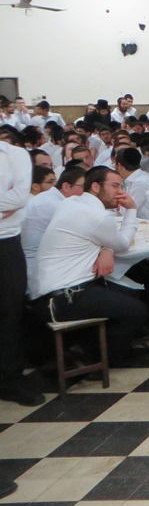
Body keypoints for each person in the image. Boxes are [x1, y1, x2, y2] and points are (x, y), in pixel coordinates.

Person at [30, 167, 148, 365]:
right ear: (95, 186)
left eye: (121, 186)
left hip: (45, 293)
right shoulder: (99, 217)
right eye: (115, 186)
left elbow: (101, 239)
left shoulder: (70, 203)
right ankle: (101, 359)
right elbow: (122, 243)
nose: (120, 192)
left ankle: (92, 349)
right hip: (63, 297)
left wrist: (106, 249)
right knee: (137, 310)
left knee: (125, 290)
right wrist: (132, 210)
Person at [0, 137, 43, 406]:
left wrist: (12, 203)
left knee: (9, 311)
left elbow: (19, 197)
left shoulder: (13, 154)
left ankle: (10, 377)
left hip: (6, 241)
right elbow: (10, 200)